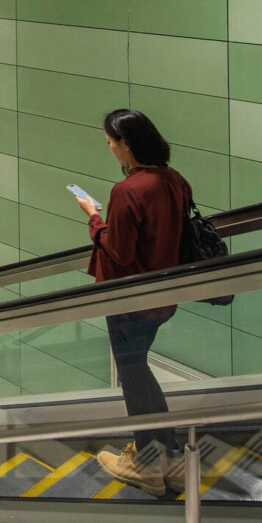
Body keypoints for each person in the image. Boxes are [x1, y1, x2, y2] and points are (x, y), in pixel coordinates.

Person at [74, 108, 191, 497]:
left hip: (129, 298)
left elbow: (119, 252)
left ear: (125, 144)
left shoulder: (126, 192)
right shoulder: (174, 180)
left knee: (132, 375)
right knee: (139, 370)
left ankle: (146, 464)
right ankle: (170, 458)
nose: (110, 150)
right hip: (164, 294)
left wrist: (94, 218)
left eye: (110, 143)